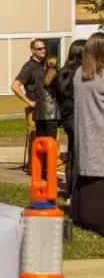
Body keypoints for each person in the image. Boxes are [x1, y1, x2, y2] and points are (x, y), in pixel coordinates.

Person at [71, 32, 104, 235]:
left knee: (85, 179)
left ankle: (80, 215)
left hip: (85, 135)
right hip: (100, 134)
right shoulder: (101, 77)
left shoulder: (80, 74)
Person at [51, 39, 86, 189]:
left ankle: (71, 187)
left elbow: (55, 94)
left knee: (72, 151)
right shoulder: (81, 73)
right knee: (80, 153)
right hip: (79, 117)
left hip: (67, 117)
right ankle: (77, 187)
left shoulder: (62, 73)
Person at [12, 39, 48, 173]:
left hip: (46, 108)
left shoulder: (43, 65)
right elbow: (15, 86)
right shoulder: (29, 66)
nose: (43, 50)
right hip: (34, 108)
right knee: (34, 138)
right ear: (33, 51)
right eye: (39, 49)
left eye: (44, 48)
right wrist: (29, 101)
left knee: (46, 138)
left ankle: (44, 165)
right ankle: (35, 167)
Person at [31, 55, 62, 175]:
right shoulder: (57, 77)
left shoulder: (38, 75)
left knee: (41, 143)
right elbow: (60, 94)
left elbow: (34, 91)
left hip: (39, 113)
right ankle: (50, 172)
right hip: (52, 113)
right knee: (51, 144)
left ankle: (40, 171)